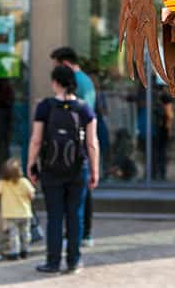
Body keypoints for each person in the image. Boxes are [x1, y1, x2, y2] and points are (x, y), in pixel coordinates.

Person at [27, 66, 100, 274]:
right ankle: (74, 261)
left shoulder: (45, 107)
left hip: (51, 169)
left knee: (55, 216)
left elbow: (36, 140)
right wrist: (94, 170)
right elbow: (93, 143)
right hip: (78, 168)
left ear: (55, 82)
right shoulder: (85, 109)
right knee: (75, 215)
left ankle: (52, 262)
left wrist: (31, 164)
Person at [50, 47, 97, 246]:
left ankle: (81, 234)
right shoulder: (86, 80)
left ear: (65, 64)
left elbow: (77, 114)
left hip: (76, 142)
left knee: (78, 194)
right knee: (81, 192)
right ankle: (81, 234)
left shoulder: (77, 82)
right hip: (82, 140)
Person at [0, 158, 35, 260]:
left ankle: (14, 252)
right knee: (25, 233)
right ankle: (25, 250)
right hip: (25, 213)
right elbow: (31, 195)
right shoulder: (24, 181)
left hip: (10, 214)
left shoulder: (2, 182)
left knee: (13, 234)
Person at [152, 84, 175, 181]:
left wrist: (168, 129)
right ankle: (159, 172)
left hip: (161, 129)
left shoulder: (162, 98)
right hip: (160, 129)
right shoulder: (163, 98)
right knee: (160, 152)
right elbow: (170, 115)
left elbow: (169, 115)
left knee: (160, 152)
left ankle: (160, 172)